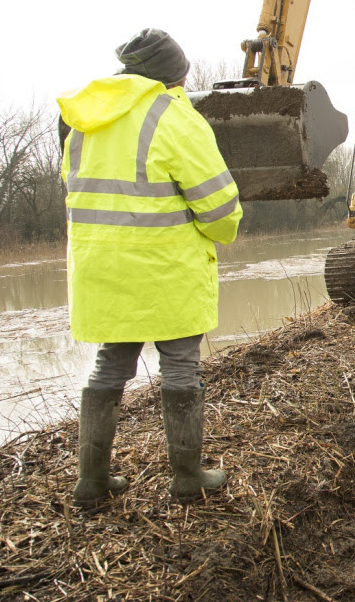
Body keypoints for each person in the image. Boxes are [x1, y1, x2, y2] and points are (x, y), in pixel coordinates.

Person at [58, 28, 242, 505]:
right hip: (165, 270)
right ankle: (186, 479)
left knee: (108, 368)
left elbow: (80, 192)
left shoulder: (84, 120)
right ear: (172, 75)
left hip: (102, 270)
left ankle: (91, 483)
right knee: (180, 366)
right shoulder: (174, 117)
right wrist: (220, 232)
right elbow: (220, 207)